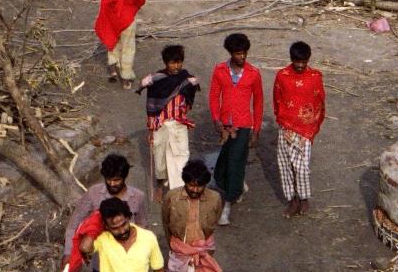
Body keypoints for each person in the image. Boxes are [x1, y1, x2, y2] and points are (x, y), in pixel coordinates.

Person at [60, 154, 144, 272]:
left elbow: (143, 228)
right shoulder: (93, 193)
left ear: (125, 177)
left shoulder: (137, 197)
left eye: (117, 180)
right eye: (109, 179)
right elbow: (74, 223)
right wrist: (68, 252)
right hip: (101, 262)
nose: (112, 184)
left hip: (127, 262)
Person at [209, 32, 264, 225]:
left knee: (234, 162)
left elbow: (258, 102)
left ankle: (228, 204)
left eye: (244, 53)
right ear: (231, 53)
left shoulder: (254, 74)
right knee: (223, 166)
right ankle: (238, 184)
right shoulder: (219, 71)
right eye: (238, 53)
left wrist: (256, 130)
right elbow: (214, 97)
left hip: (244, 125)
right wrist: (216, 120)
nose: (242, 57)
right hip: (225, 125)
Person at [273, 41, 326, 217]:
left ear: (308, 60)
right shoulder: (282, 76)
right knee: (285, 165)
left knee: (302, 167)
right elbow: (277, 100)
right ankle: (292, 199)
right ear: (292, 59)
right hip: (286, 127)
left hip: (305, 130)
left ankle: (304, 198)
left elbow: (319, 102)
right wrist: (282, 122)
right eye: (297, 62)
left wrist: (311, 129)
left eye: (304, 62)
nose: (301, 65)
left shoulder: (315, 77)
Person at [138, 44, 197, 191]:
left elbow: (190, 97)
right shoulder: (157, 80)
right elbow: (151, 106)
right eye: (172, 62)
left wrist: (185, 109)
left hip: (179, 124)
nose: (176, 66)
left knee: (181, 156)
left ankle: (177, 190)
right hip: (160, 125)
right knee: (159, 157)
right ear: (165, 63)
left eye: (179, 62)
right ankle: (161, 183)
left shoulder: (186, 79)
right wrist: (151, 130)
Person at [93, 0, 147, 86]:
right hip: (128, 20)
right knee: (128, 47)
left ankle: (112, 66)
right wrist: (133, 8)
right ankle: (125, 77)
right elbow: (141, 0)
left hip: (113, 18)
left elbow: (105, 1)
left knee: (114, 39)